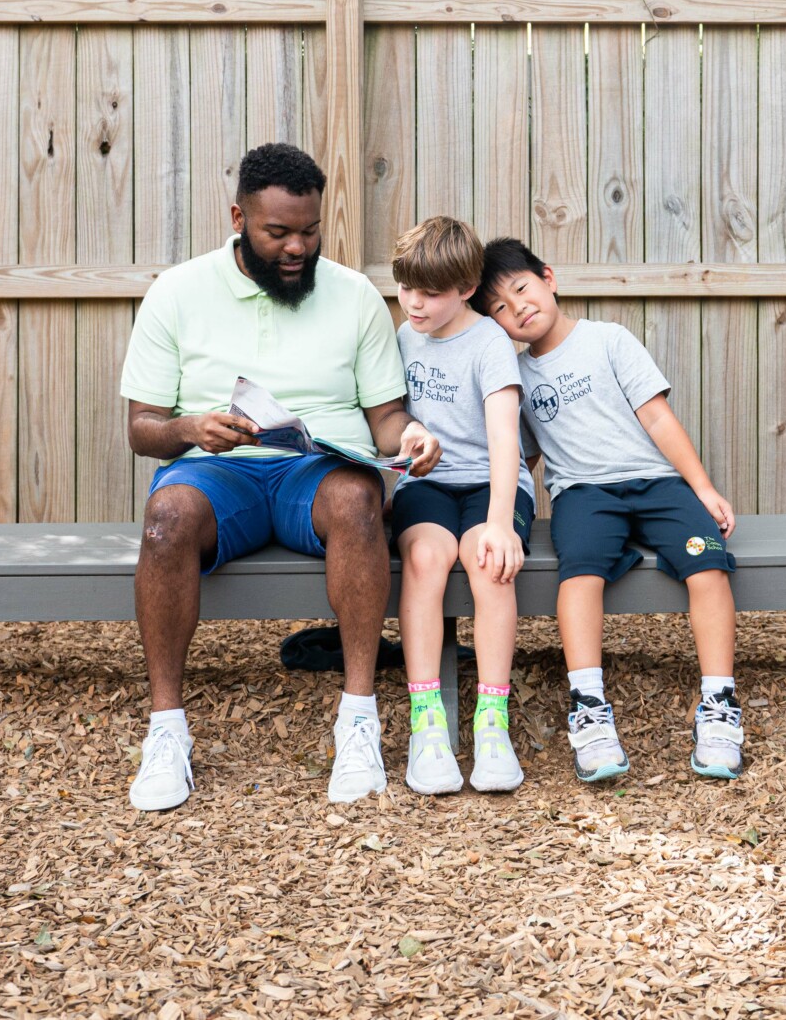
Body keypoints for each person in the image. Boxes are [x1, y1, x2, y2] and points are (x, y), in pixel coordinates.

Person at [119, 143, 441, 812]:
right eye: (278, 233)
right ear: (238, 217)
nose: (298, 247)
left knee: (359, 500)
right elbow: (142, 427)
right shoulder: (177, 292)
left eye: (310, 230)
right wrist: (189, 429)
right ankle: (166, 734)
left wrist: (407, 439)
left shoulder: (352, 295)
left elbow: (384, 416)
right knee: (166, 521)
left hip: (317, 472)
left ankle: (358, 721)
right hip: (219, 471)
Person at [474, 237, 746, 781]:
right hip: (584, 495)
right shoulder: (515, 375)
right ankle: (589, 708)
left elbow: (658, 419)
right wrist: (501, 518)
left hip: (658, 484)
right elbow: (521, 457)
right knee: (579, 574)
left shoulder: (608, 339)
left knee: (708, 564)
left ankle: (719, 704)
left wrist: (703, 488)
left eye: (521, 289)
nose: (517, 308)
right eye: (499, 308)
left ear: (548, 278)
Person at [389, 217, 532, 795]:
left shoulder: (489, 343)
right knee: (426, 557)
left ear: (466, 289)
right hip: (426, 483)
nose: (414, 304)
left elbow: (505, 441)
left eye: (430, 294)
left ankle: (492, 722)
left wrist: (500, 523)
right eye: (405, 288)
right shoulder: (403, 336)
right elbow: (389, 419)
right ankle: (428, 723)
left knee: (486, 561)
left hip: (491, 484)